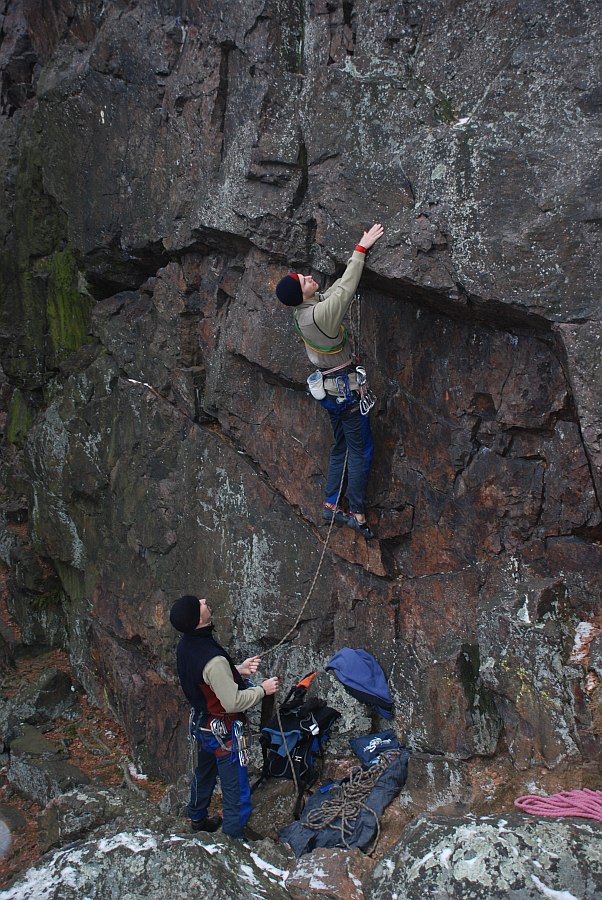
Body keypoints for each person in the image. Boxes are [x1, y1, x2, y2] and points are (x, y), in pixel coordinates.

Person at [276, 223, 384, 539]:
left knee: (341, 447)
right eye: (304, 281)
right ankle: (357, 511)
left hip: (332, 394)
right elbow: (346, 288)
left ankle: (331, 504)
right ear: (301, 293)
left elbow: (331, 292)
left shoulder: (302, 313)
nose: (310, 277)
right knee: (361, 449)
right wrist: (360, 249)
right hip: (346, 394)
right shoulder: (319, 316)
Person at [170, 594, 279, 838]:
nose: (204, 600)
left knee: (204, 774)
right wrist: (263, 690)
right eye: (199, 604)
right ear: (198, 619)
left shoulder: (187, 644)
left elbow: (203, 677)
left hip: (202, 724)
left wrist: (236, 670)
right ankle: (234, 841)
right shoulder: (213, 659)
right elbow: (232, 702)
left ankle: (197, 819)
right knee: (236, 788)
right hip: (228, 731)